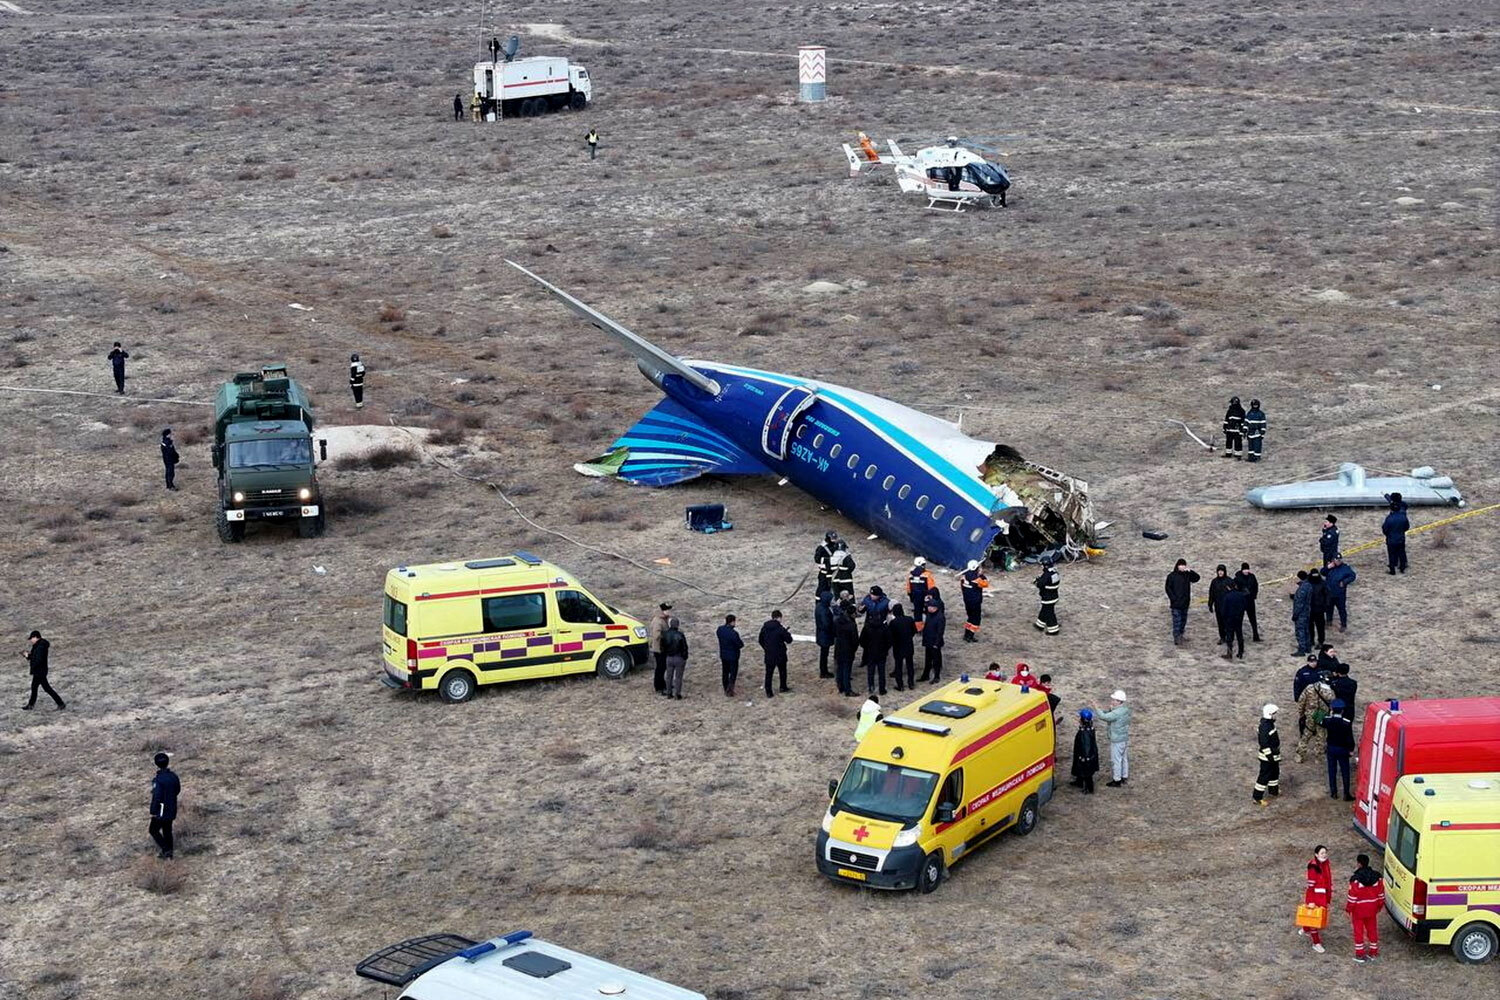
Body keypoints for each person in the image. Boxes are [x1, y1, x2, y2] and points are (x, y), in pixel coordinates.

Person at [1346, 854, 1386, 962]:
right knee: (1372, 929)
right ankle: (1374, 951)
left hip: (1358, 910)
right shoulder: (1377, 877)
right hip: (1372, 908)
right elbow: (1381, 894)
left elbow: (1352, 897)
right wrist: (1379, 906)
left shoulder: (1355, 880)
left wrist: (1349, 909)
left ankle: (1360, 954)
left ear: (1359, 864)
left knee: (1358, 931)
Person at [21, 629, 64, 711]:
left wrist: (29, 657)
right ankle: (31, 705)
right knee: (35, 687)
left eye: (31, 639)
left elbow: (38, 659)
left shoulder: (40, 646)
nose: (31, 641)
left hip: (40, 671)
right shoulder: (39, 645)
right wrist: (28, 656)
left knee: (45, 688)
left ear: (36, 637)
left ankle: (60, 703)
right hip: (39, 671)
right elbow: (35, 657)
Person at [857, 588, 890, 695]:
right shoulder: (868, 600)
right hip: (879, 649)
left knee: (873, 669)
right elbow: (861, 610)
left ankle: (873, 686)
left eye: (874, 595)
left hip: (872, 648)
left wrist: (866, 646)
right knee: (880, 669)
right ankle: (881, 688)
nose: (871, 597)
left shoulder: (885, 602)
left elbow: (862, 640)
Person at [1301, 845, 1333, 954]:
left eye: (1325, 853)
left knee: (1314, 917)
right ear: (1316, 854)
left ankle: (1305, 929)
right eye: (1322, 853)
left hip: (1323, 896)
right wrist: (1311, 901)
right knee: (1314, 919)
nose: (1324, 855)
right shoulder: (1313, 867)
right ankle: (1316, 943)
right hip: (1315, 897)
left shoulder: (1325, 863)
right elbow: (1311, 886)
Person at [1321, 700, 1355, 800]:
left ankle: (1333, 792)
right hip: (1343, 749)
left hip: (1331, 748)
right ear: (1342, 711)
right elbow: (1350, 738)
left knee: (1332, 771)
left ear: (1332, 709)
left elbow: (1318, 719)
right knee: (1345, 772)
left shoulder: (1328, 720)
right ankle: (1346, 794)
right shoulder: (1346, 723)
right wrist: (1351, 749)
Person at [149, 752, 180, 859]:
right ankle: (170, 854)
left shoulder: (158, 780)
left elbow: (156, 796)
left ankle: (166, 850)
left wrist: (153, 810)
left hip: (161, 810)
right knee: (167, 830)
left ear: (156, 764)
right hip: (172, 807)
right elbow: (177, 790)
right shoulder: (174, 776)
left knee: (153, 830)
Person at [1293, 680, 1334, 763]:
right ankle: (1318, 757)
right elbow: (1332, 704)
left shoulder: (1310, 688)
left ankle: (1299, 755)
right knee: (1321, 735)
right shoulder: (1330, 691)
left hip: (1310, 714)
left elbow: (1301, 701)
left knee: (1306, 734)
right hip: (1322, 715)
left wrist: (1301, 714)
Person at [1096, 690, 1131, 787]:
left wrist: (1096, 708)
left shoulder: (1117, 713)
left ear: (1119, 701)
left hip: (1117, 740)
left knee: (1116, 760)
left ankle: (1117, 780)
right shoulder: (1125, 710)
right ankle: (1124, 776)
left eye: (1114, 700)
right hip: (1124, 738)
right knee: (1124, 758)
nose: (1112, 701)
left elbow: (1104, 716)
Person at [1164, 559, 1201, 645]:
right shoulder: (1171, 576)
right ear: (1177, 566)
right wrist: (1173, 598)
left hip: (1185, 603)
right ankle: (1176, 637)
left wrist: (1190, 571)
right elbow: (1168, 588)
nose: (1182, 566)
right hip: (1176, 604)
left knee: (1183, 621)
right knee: (1177, 621)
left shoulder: (1187, 575)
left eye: (1184, 565)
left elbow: (1197, 578)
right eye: (1181, 565)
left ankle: (1181, 635)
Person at [758, 610, 793, 698]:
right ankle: (783, 687)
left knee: (769, 673)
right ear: (779, 618)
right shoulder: (780, 629)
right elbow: (789, 640)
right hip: (780, 654)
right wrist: (787, 633)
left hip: (769, 654)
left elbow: (760, 640)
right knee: (782, 671)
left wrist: (766, 648)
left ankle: (768, 691)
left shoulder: (765, 627)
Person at [1254, 703, 1282, 805]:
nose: (1276, 715)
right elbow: (1264, 744)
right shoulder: (1265, 727)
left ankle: (1273, 790)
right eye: (1274, 713)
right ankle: (1257, 797)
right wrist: (1270, 757)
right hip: (1267, 758)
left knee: (1275, 773)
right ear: (1270, 714)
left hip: (1273, 756)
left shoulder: (1269, 724)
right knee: (1264, 776)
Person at [832, 600, 859, 697]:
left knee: (840, 668)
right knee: (847, 670)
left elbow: (834, 632)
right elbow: (855, 640)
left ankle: (840, 687)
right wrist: (854, 649)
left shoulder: (838, 621)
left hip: (839, 648)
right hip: (848, 650)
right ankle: (848, 690)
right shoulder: (852, 626)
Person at [1323, 554, 1356, 632]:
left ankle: (1343, 624)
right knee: (1329, 608)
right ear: (1333, 560)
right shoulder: (1330, 567)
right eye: (1337, 560)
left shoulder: (1345, 568)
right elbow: (1322, 572)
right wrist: (1327, 567)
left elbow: (1352, 576)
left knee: (1341, 609)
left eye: (1340, 560)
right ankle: (1328, 621)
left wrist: (1344, 582)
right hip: (1329, 593)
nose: (1338, 561)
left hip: (1340, 594)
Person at [887, 604, 916, 691]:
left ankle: (900, 685)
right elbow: (914, 631)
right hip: (908, 645)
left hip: (898, 646)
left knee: (898, 666)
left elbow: (890, 635)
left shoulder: (893, 623)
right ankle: (911, 683)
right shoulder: (909, 619)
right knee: (910, 665)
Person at [959, 561, 989, 642]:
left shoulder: (964, 576)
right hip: (975, 602)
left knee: (970, 618)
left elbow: (962, 587)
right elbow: (986, 584)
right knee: (975, 619)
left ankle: (966, 635)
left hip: (967, 601)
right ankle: (970, 636)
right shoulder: (978, 579)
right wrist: (982, 575)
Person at [1218, 578, 1248, 659]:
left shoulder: (1227, 597)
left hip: (1229, 619)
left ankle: (1229, 653)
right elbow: (1245, 606)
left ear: (1228, 587)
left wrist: (1224, 618)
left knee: (1229, 636)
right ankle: (1240, 652)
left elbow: (1224, 610)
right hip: (1239, 618)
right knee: (1239, 635)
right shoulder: (1241, 595)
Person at [1071, 708, 1100, 793]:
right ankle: (1079, 781)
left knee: (1087, 773)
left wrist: (1085, 757)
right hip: (1081, 752)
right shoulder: (1088, 729)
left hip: (1085, 755)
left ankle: (1089, 788)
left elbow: (1086, 746)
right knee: (1079, 768)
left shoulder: (1085, 732)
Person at [918, 599, 945, 684]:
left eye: (931, 607)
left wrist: (936, 643)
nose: (929, 608)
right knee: (928, 659)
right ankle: (925, 675)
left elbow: (940, 632)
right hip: (928, 641)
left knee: (936, 660)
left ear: (936, 608)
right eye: (928, 606)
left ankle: (936, 676)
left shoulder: (940, 617)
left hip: (934, 642)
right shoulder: (929, 614)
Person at [1234, 562, 1263, 642]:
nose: (1246, 571)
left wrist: (1254, 595)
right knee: (1239, 619)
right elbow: (1235, 590)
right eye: (1244, 569)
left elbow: (1255, 586)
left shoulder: (1252, 577)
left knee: (1253, 619)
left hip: (1250, 601)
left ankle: (1256, 636)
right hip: (1241, 602)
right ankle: (1240, 638)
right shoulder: (1237, 578)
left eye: (1247, 569)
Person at [661, 616, 688, 699]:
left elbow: (662, 646)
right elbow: (684, 647)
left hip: (669, 657)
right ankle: (677, 694)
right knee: (678, 677)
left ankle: (669, 693)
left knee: (669, 676)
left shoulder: (665, 634)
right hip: (679, 657)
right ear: (677, 625)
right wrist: (684, 657)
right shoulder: (680, 635)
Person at [716, 614, 743, 697]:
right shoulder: (733, 633)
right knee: (733, 673)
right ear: (732, 622)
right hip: (733, 656)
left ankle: (725, 687)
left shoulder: (720, 630)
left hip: (724, 655)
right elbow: (740, 644)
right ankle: (730, 690)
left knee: (725, 672)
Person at [1382, 494, 1409, 575]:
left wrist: (1387, 535)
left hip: (1391, 539)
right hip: (1401, 537)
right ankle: (1402, 567)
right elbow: (1406, 527)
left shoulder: (1389, 518)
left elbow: (1385, 529)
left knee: (1392, 554)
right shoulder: (1403, 513)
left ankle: (1392, 569)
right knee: (1401, 552)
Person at [1033, 557, 1060, 636]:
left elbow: (1040, 585)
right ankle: (1039, 625)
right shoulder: (1055, 573)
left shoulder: (1046, 575)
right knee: (1044, 610)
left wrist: (1036, 581)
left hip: (1047, 597)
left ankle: (1053, 629)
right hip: (1054, 596)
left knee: (1049, 613)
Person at [649, 603, 672, 694]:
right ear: (663, 611)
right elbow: (656, 635)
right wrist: (667, 635)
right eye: (668, 610)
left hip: (662, 648)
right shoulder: (658, 621)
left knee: (663, 667)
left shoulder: (663, 619)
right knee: (660, 668)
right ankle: (658, 687)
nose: (670, 612)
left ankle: (662, 683)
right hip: (659, 649)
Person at [906, 557, 935, 629]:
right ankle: (929, 626)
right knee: (928, 611)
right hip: (926, 596)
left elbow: (908, 588)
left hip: (915, 596)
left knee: (917, 612)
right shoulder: (927, 575)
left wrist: (911, 597)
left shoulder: (911, 575)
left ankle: (918, 628)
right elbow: (932, 587)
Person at [1207, 565, 1232, 643]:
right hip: (1218, 605)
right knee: (1220, 623)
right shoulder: (1214, 582)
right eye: (1219, 571)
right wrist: (1210, 604)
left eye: (1222, 571)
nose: (1220, 572)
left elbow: (1234, 593)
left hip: (1227, 606)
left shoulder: (1229, 581)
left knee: (1228, 622)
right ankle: (1222, 637)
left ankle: (1229, 637)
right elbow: (1211, 593)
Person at [1290, 570, 1313, 657]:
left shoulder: (1302, 589)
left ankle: (1302, 649)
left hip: (1301, 614)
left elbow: (1299, 604)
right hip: (1307, 612)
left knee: (1300, 631)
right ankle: (1308, 647)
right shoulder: (1308, 585)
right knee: (1306, 630)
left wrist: (1295, 615)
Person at [813, 590, 834, 679]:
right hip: (825, 635)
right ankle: (823, 671)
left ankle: (823, 670)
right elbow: (826, 624)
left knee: (824, 653)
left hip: (821, 634)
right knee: (824, 654)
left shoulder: (819, 606)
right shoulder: (824, 611)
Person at [1308, 570, 1330, 648]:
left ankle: (1320, 641)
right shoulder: (1307, 583)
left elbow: (1327, 594)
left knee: (1320, 627)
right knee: (1309, 626)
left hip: (1319, 609)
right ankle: (1311, 640)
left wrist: (1326, 606)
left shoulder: (1322, 583)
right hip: (1309, 609)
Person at [814, 531, 841, 596]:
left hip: (834, 572)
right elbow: (817, 559)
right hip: (824, 573)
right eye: (832, 539)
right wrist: (827, 561)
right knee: (822, 589)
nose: (834, 541)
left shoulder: (836, 545)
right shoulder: (821, 548)